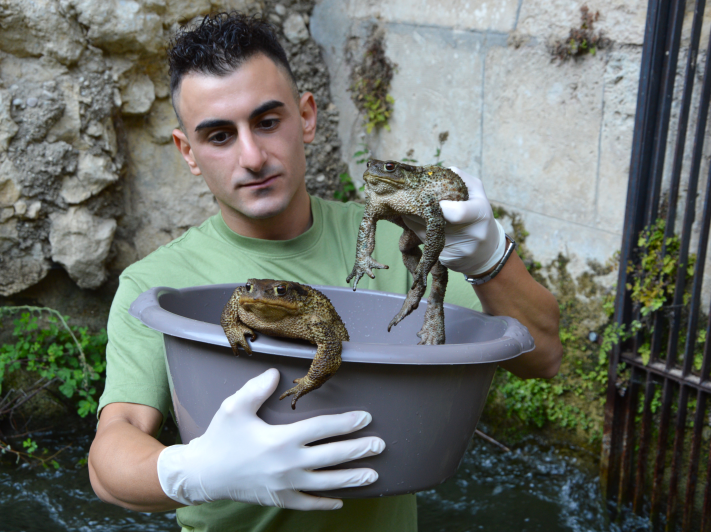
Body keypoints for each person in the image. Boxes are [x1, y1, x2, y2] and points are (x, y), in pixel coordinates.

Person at [88, 12, 562, 532]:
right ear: (189, 153)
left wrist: (488, 255)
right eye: (220, 136)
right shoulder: (159, 283)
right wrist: (194, 472)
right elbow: (110, 461)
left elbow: (543, 355)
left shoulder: (393, 243)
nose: (252, 156)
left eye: (268, 122)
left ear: (307, 117)